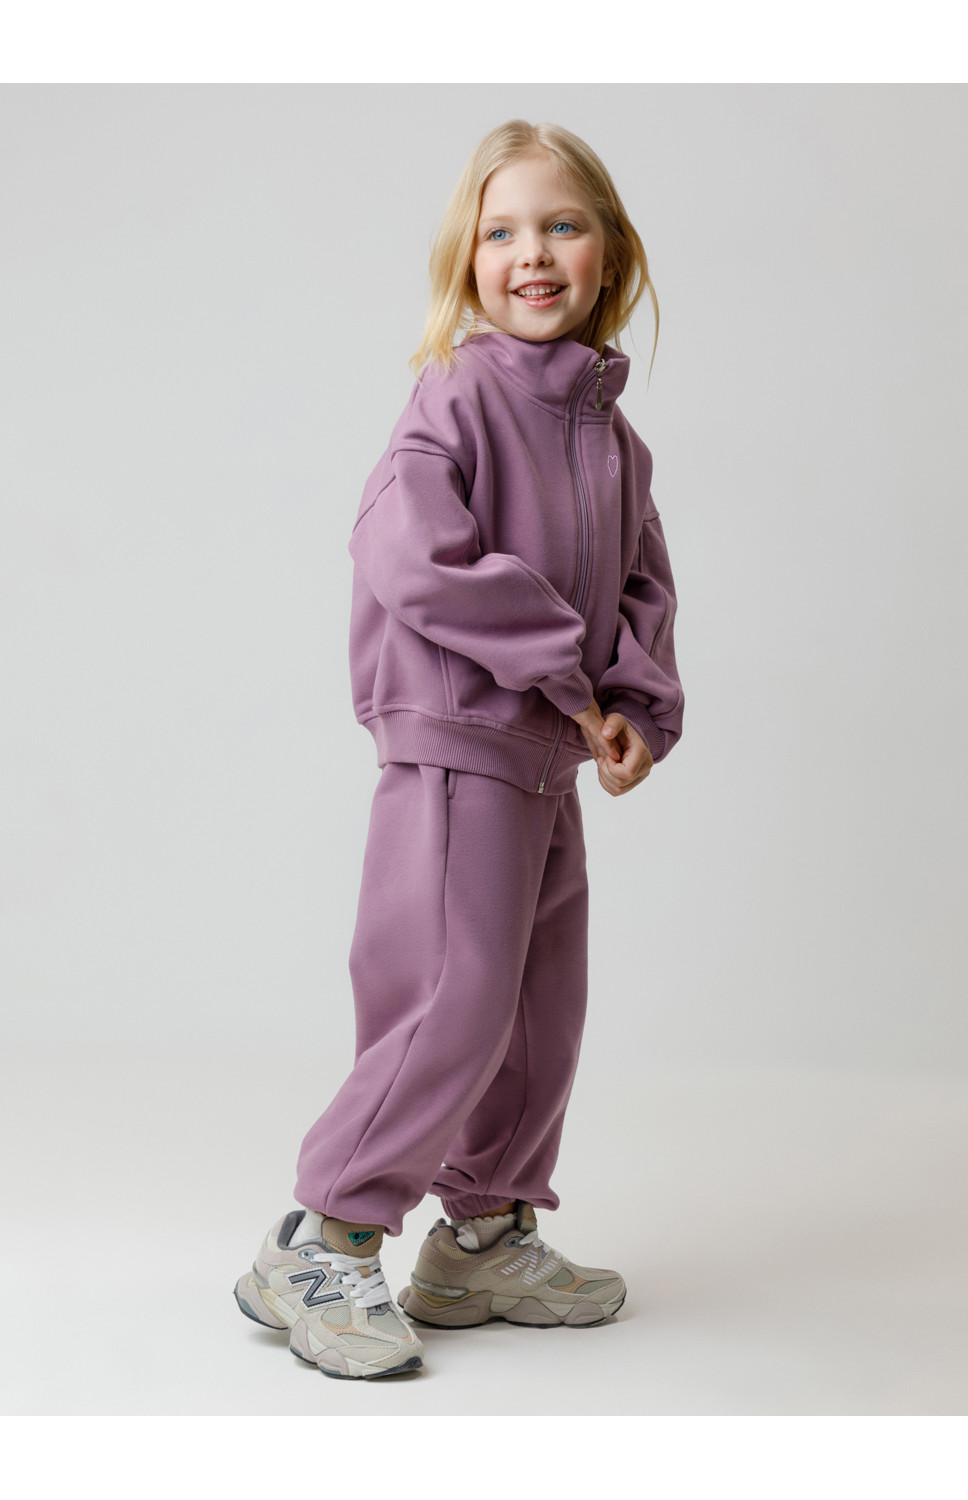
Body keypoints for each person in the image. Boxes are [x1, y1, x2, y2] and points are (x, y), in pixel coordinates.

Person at [234, 118, 685, 1381]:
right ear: (466, 261)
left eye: (561, 226)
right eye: (501, 232)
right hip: (455, 746)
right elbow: (408, 553)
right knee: (449, 992)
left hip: (544, 757)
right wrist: (565, 670)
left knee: (540, 1005)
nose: (530, 254)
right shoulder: (458, 392)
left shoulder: (611, 437)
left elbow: (642, 585)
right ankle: (321, 1238)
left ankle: (483, 1234)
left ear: (610, 253)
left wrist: (632, 705)